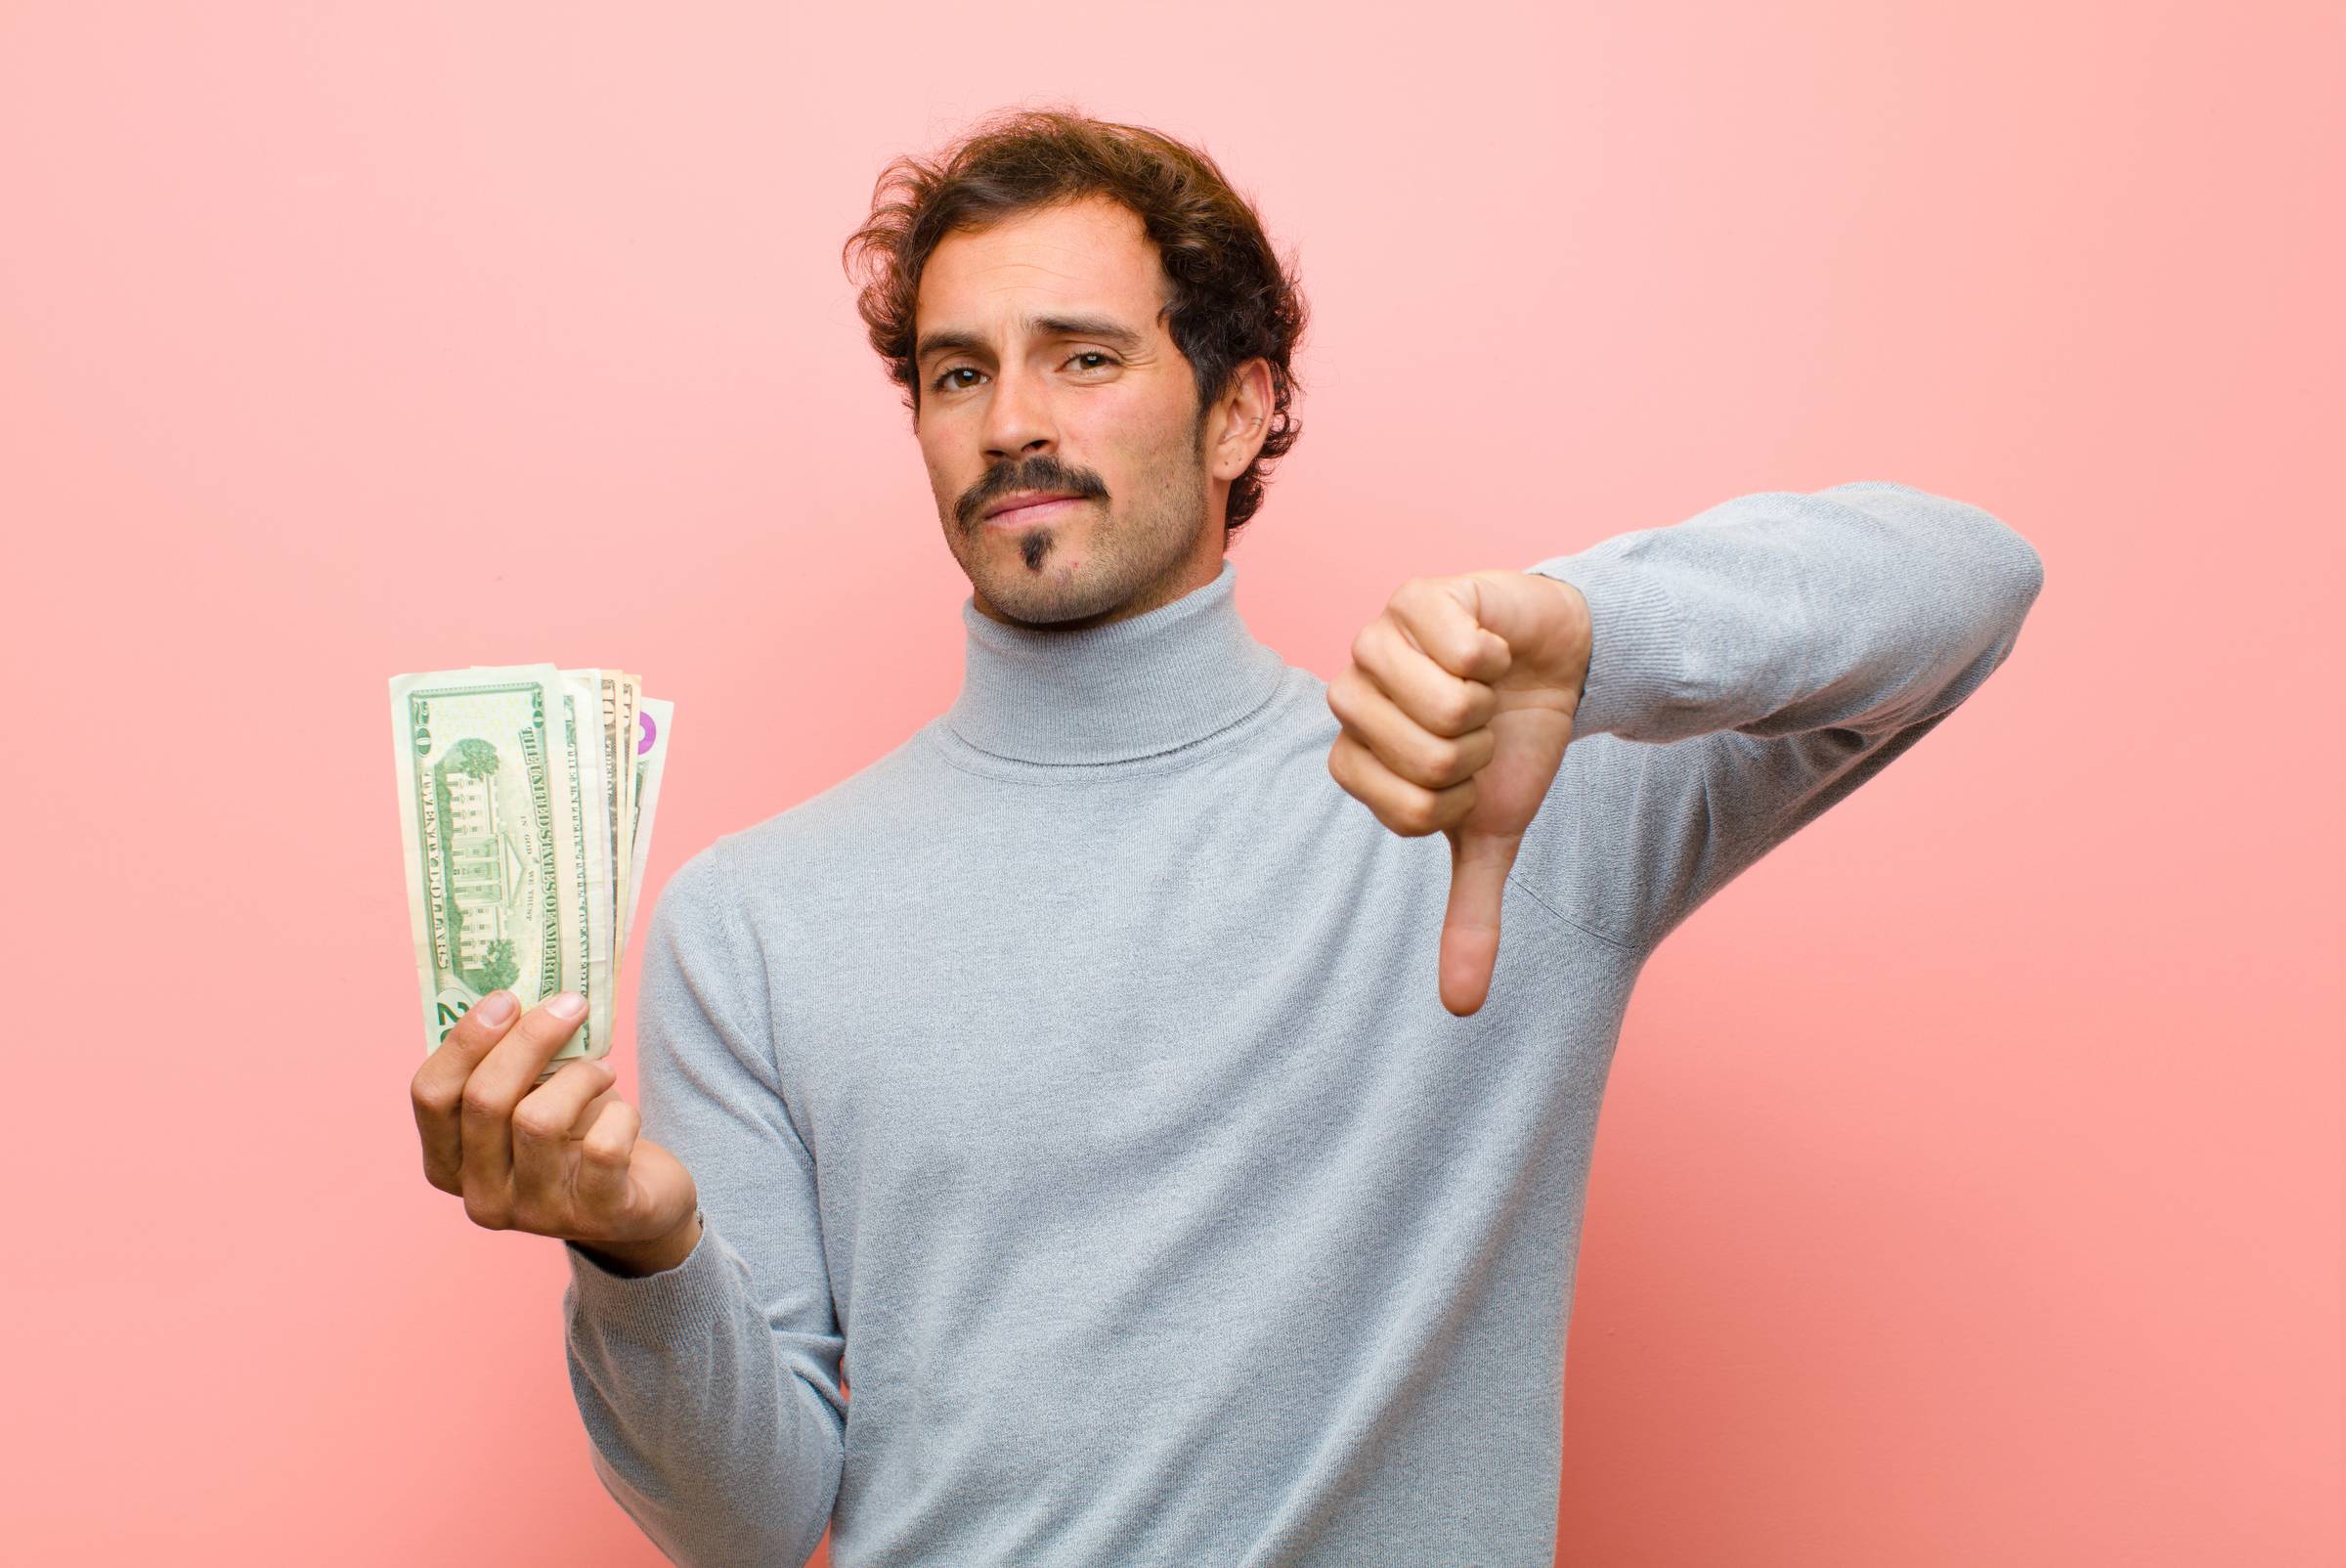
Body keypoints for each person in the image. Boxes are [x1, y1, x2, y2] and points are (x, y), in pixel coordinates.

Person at [408, 107, 2045, 1566]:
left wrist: (1596, 630)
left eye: (1087, 356)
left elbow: (1967, 583)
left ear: (1242, 410)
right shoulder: (752, 917)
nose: (1010, 423)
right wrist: (641, 1259)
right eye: (957, 371)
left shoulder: (1484, 788)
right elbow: (746, 1527)